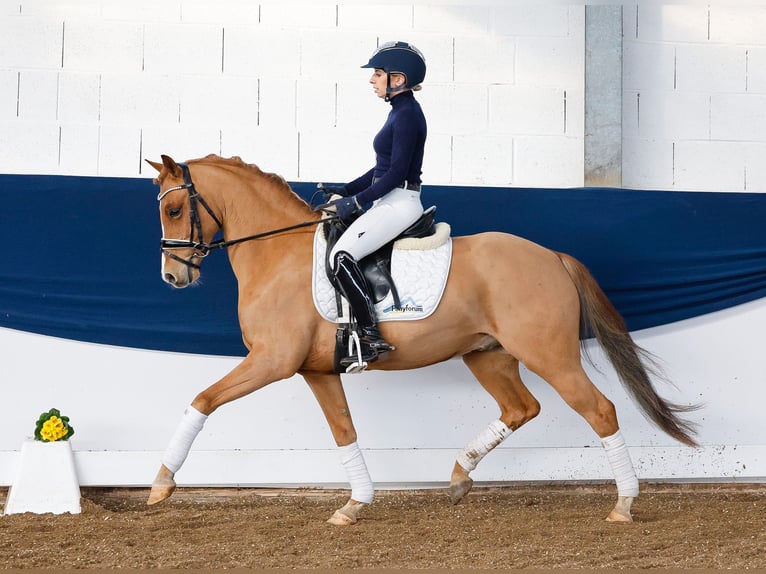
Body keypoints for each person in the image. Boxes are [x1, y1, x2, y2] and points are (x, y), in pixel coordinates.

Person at [321, 40, 427, 366]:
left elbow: (395, 173)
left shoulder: (407, 114)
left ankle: (370, 335)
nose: (372, 80)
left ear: (398, 79)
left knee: (340, 256)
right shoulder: (399, 112)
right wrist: (346, 189)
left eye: (378, 74)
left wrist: (355, 202)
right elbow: (382, 167)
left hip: (400, 202)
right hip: (389, 199)